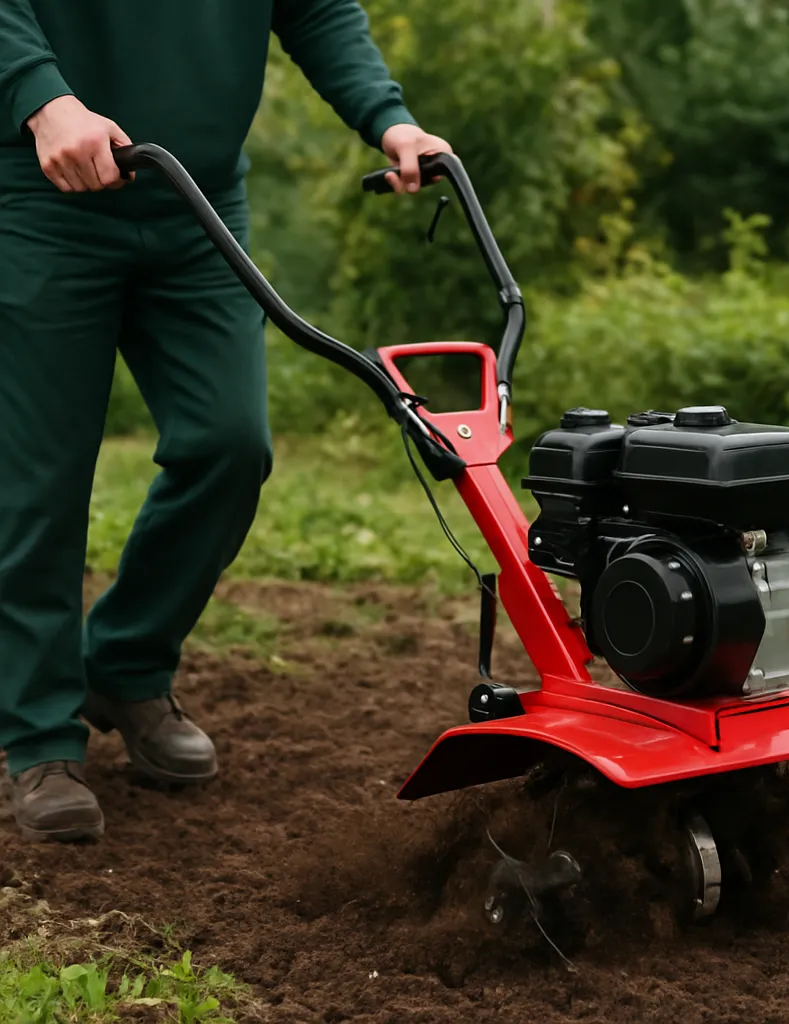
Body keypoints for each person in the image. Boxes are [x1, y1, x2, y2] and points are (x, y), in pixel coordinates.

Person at [0, 0, 452, 843]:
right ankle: (38, 738)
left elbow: (315, 9)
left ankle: (126, 663)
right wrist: (41, 96)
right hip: (41, 202)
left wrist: (390, 119)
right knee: (38, 482)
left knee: (229, 444)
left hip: (193, 201)